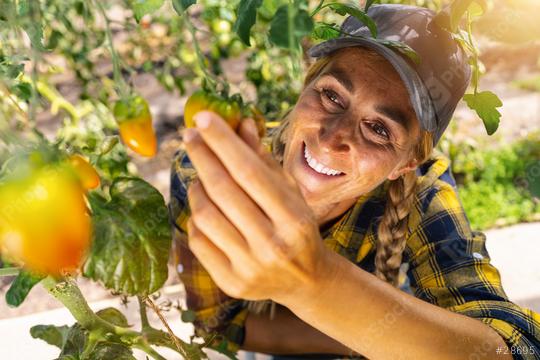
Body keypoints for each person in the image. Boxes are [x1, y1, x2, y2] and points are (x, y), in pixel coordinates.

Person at [169, 4, 540, 359]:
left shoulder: (422, 189)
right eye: (332, 96)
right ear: (304, 88)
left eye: (379, 129)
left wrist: (316, 284)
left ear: (408, 162)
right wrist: (369, 337)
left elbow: (519, 348)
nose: (333, 138)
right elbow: (216, 325)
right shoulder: (207, 174)